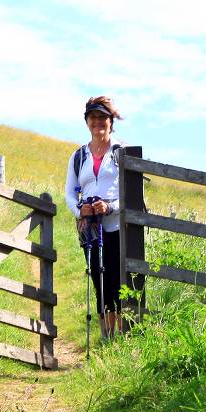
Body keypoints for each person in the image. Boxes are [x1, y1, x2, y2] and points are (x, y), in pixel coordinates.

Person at [64, 96, 126, 340]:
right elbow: (69, 192)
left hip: (117, 226)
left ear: (111, 122)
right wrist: (81, 211)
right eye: (93, 118)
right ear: (87, 121)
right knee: (98, 280)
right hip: (90, 228)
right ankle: (105, 335)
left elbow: (133, 194)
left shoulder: (122, 152)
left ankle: (118, 335)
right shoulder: (79, 156)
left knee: (115, 279)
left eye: (103, 118)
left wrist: (110, 207)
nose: (98, 122)